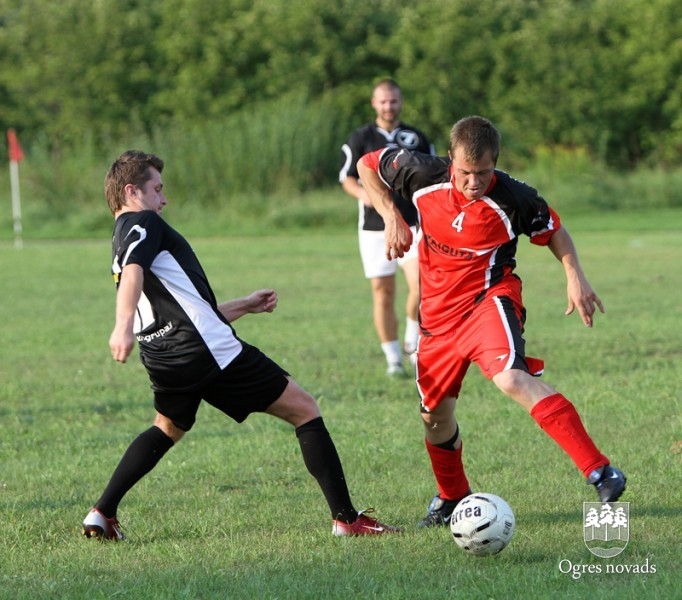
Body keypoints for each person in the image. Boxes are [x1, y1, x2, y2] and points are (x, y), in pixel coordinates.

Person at [82, 150, 400, 540]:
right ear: (132, 191)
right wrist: (120, 326)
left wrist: (243, 306)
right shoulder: (143, 222)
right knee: (304, 409)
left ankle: (102, 512)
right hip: (204, 351)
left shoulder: (118, 237)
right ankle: (347, 520)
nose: (163, 200)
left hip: (164, 355)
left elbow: (183, 308)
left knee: (166, 427)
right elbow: (134, 274)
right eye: (157, 189)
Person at [356, 116, 627, 528]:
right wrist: (391, 213)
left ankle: (600, 469)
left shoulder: (513, 196)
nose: (473, 181)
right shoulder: (420, 171)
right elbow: (366, 166)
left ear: (494, 163)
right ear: (450, 159)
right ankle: (451, 499)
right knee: (434, 417)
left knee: (511, 379)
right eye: (465, 172)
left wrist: (575, 276)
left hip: (489, 300)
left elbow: (553, 229)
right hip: (436, 320)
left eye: (483, 172)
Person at [339, 78, 434, 377]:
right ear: (374, 103)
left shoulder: (417, 137)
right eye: (383, 101)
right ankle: (393, 359)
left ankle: (412, 340)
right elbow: (347, 177)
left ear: (400, 102)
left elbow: (431, 177)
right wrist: (364, 194)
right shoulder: (361, 137)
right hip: (374, 228)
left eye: (393, 101)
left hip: (412, 223)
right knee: (383, 292)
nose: (388, 106)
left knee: (421, 283)